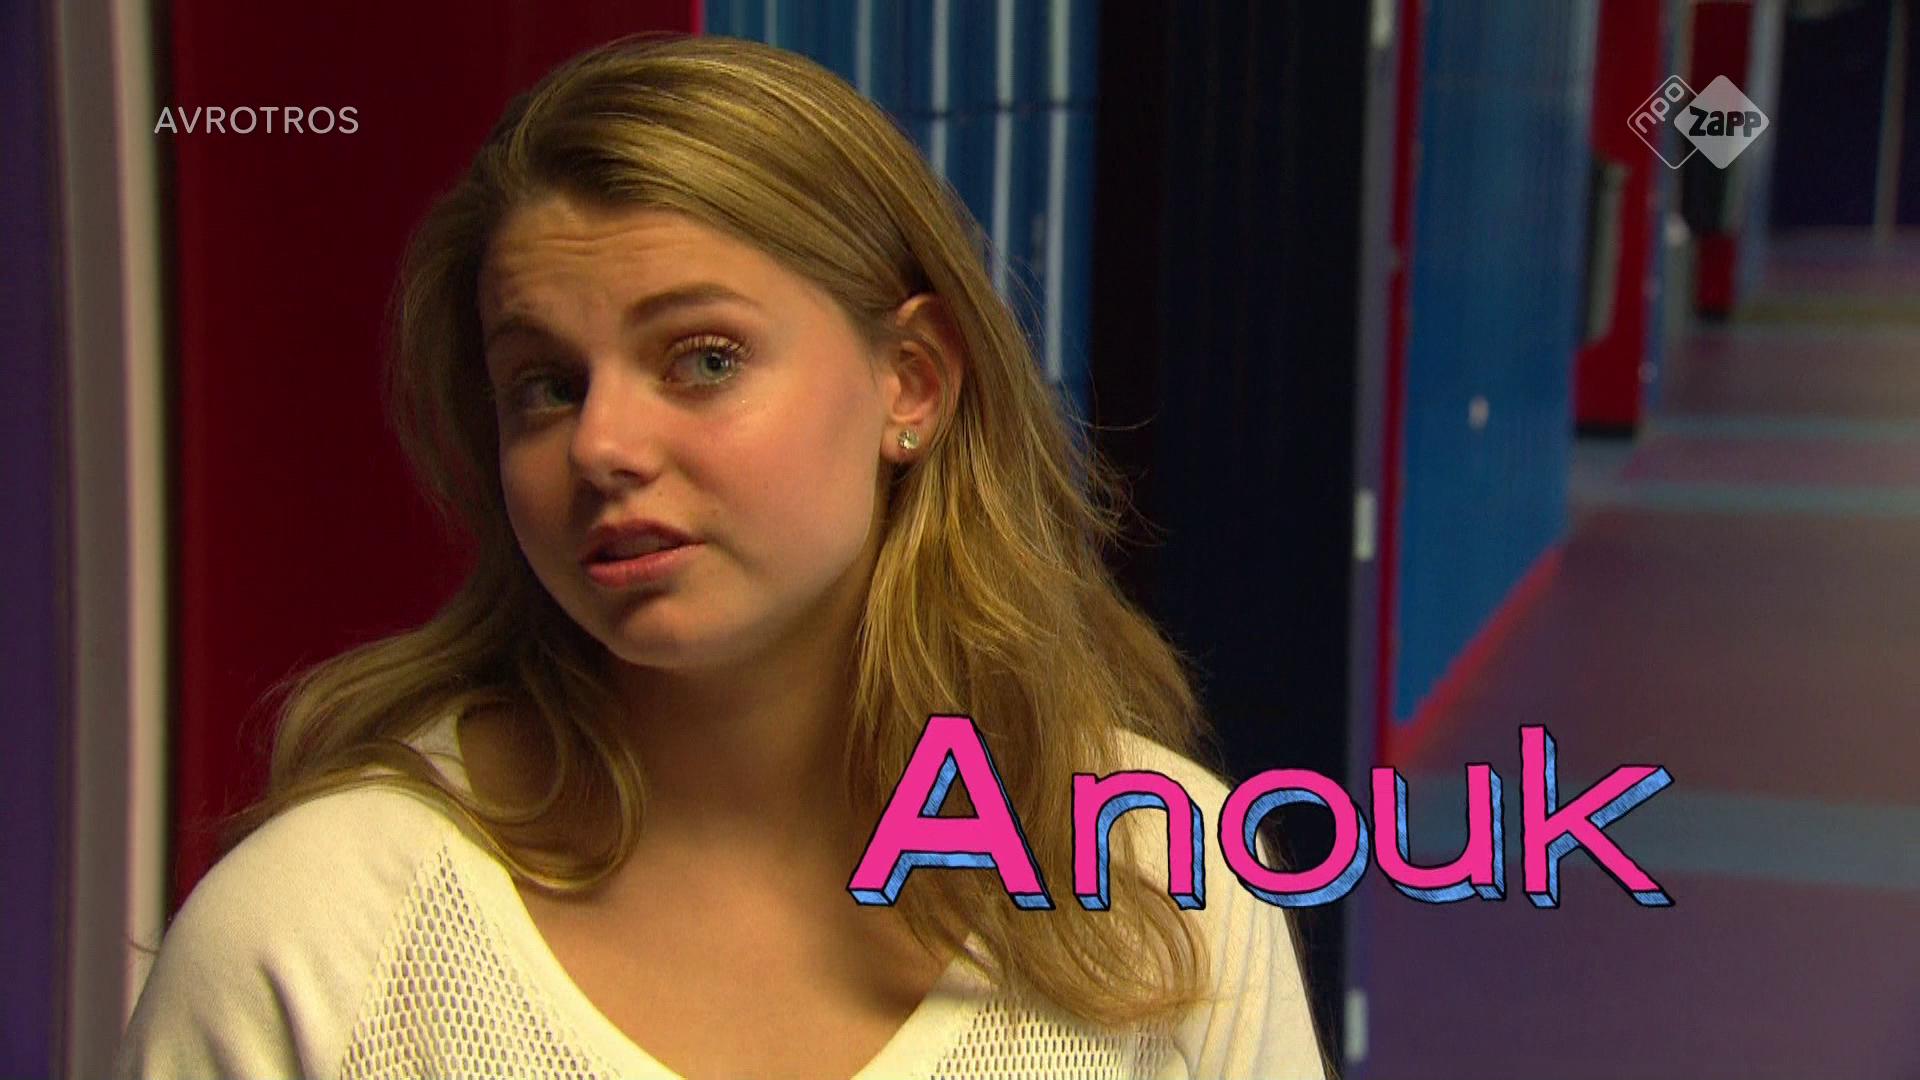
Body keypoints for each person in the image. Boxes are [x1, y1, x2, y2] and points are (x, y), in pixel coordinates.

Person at [115, 34, 1329, 1080]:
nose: (601, 445)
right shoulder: (319, 933)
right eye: (545, 385)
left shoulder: (1159, 878)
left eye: (702, 358)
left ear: (912, 382)